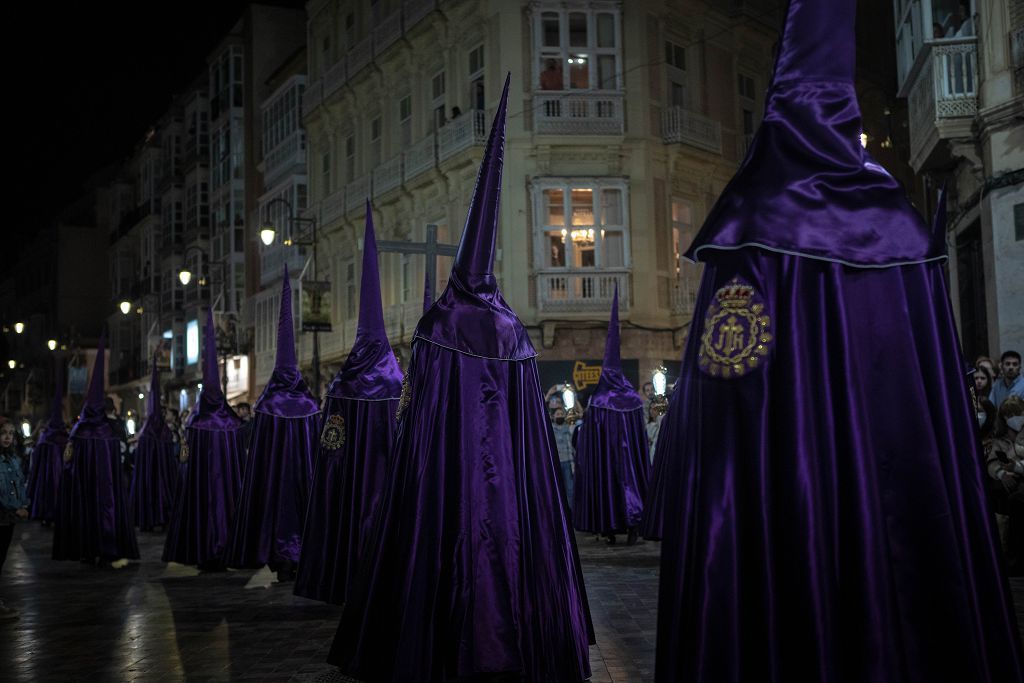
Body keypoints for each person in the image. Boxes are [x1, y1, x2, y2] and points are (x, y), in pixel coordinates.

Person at [295, 205, 403, 605]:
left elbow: (333, 446)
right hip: (389, 485)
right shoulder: (398, 383)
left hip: (351, 486)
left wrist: (333, 478)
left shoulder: (344, 383)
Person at [226, 266, 319, 582]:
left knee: (276, 511)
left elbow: (260, 454)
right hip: (301, 479)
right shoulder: (308, 406)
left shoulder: (267, 406)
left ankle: (280, 558)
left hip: (275, 480)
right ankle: (298, 555)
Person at [573, 286, 649, 547]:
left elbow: (589, 439)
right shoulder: (632, 400)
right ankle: (629, 522)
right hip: (625, 459)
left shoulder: (599, 400)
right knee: (628, 483)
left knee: (611, 484)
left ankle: (613, 525)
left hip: (608, 460)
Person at [985, 396, 1024, 575]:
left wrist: (1016, 467)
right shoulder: (1000, 440)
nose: (1014, 418)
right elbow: (992, 463)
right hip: (1005, 482)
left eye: (1017, 413)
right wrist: (1001, 474)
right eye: (1009, 414)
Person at [0, 419, 29, 622]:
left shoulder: (13, 459)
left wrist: (23, 504)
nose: (8, 437)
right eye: (3, 433)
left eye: (11, 433)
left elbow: (19, 483)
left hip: (9, 517)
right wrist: (14, 507)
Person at [551, 407, 575, 506]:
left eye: (561, 414)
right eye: (558, 414)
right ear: (553, 416)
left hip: (567, 462)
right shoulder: (550, 429)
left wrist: (573, 463)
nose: (560, 415)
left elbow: (571, 447)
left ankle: (571, 511)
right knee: (556, 487)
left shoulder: (568, 428)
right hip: (555, 463)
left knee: (570, 488)